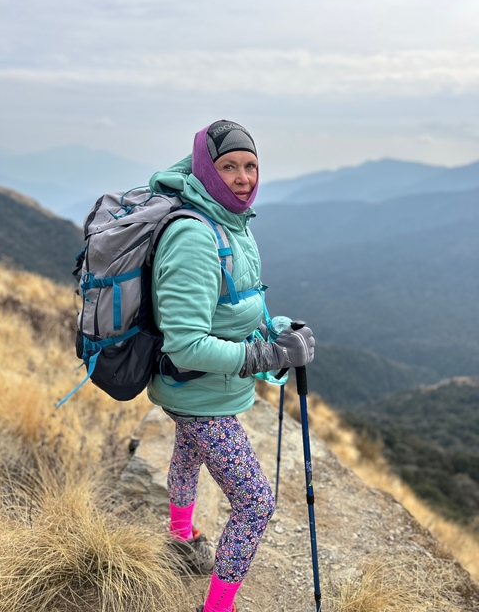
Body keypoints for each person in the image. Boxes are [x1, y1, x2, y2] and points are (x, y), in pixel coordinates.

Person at [148, 120, 315, 612]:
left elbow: (238, 305)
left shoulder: (231, 223)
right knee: (257, 503)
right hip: (196, 390)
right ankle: (217, 607)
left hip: (195, 392)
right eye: (229, 166)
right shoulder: (195, 237)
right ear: (206, 169)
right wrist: (268, 356)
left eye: (250, 166)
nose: (243, 177)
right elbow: (186, 345)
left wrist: (277, 328)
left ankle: (181, 534)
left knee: (187, 451)